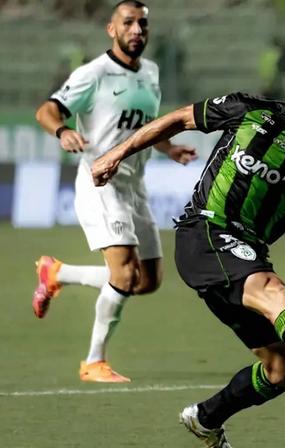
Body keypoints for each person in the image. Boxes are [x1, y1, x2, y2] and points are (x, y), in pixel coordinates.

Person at [91, 51, 285, 447]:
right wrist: (115, 153)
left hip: (246, 254)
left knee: (284, 369)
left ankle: (205, 419)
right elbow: (178, 120)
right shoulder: (250, 111)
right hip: (205, 233)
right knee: (274, 291)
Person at [32, 0, 197, 383]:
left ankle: (56, 273)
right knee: (123, 275)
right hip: (100, 183)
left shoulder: (151, 72)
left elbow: (145, 125)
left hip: (135, 187)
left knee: (148, 280)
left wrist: (168, 148)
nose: (137, 30)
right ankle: (93, 362)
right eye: (129, 23)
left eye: (142, 24)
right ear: (112, 29)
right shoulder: (95, 73)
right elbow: (47, 109)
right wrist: (63, 131)